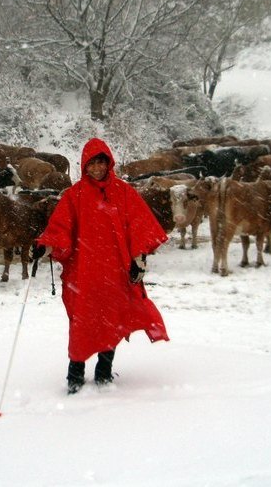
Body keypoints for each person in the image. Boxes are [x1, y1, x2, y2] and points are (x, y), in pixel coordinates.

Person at [36, 137, 170, 394]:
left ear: (108, 164)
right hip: (83, 273)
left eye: (101, 163)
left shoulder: (124, 192)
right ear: (84, 166)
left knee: (111, 320)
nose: (97, 168)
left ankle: (104, 372)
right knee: (82, 322)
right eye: (92, 164)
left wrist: (138, 258)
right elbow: (60, 228)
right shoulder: (73, 196)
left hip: (115, 271)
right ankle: (75, 374)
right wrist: (46, 244)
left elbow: (139, 226)